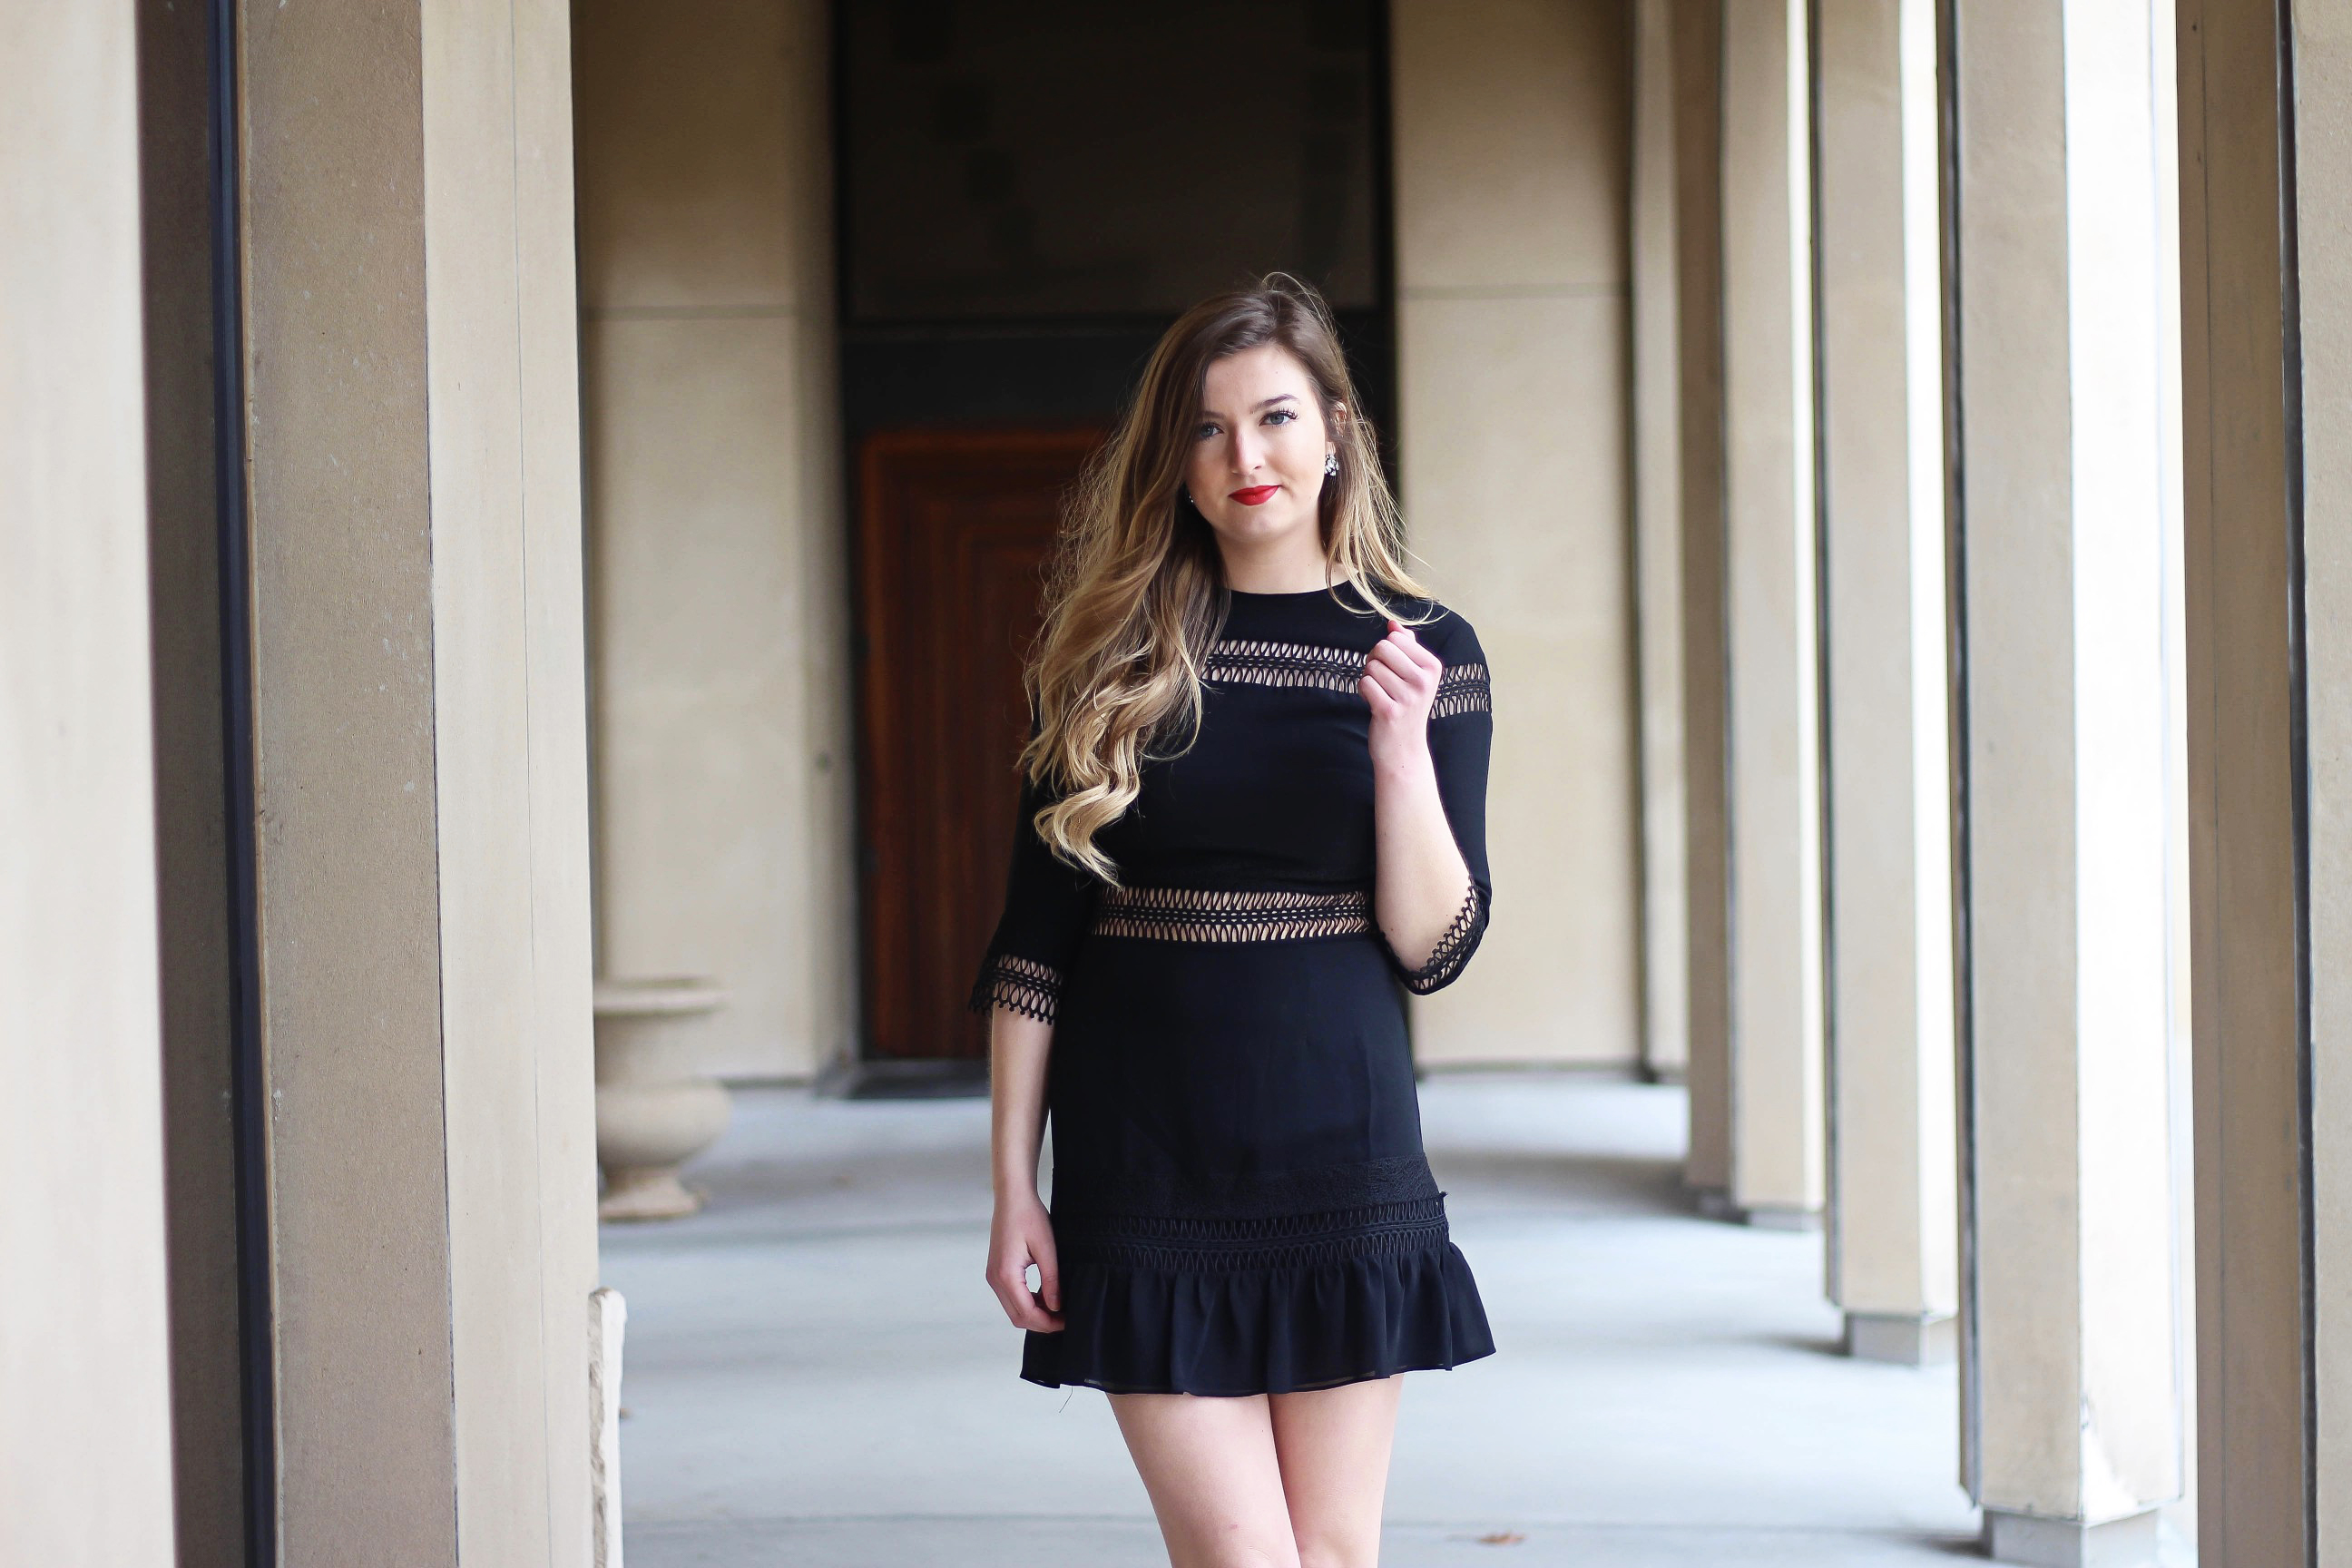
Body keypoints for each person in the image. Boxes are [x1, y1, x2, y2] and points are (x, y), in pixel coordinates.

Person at [973, 273, 1496, 1568]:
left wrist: (1396, 748)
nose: (1244, 456)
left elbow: (1437, 946)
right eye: (1207, 429)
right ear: (1178, 464)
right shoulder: (1107, 663)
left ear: (1334, 434)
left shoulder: (1429, 649)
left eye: (1272, 418)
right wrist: (1010, 1190)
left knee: (1333, 1556)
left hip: (1341, 1155)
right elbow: (1034, 955)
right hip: (1146, 1170)